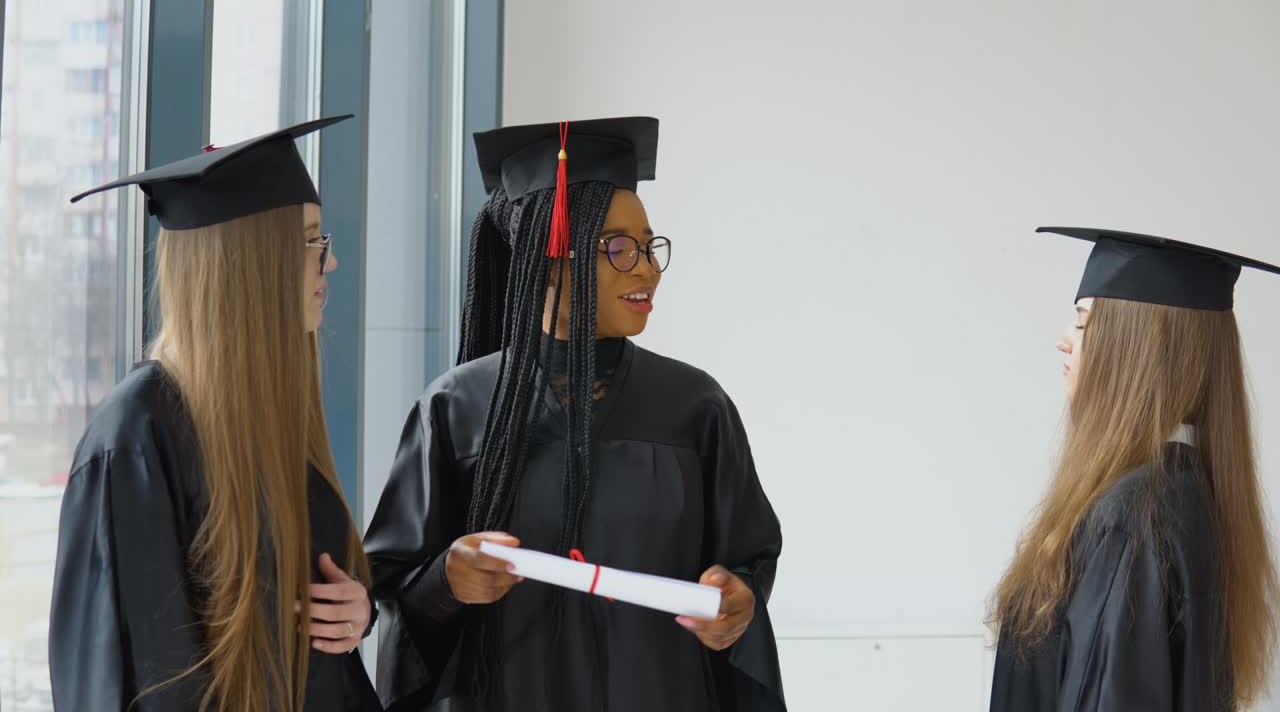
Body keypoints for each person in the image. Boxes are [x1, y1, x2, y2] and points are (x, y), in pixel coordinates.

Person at [364, 117, 786, 711]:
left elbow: (748, 558)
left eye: (648, 245)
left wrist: (738, 597)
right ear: (548, 253)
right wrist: (446, 582)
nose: (647, 269)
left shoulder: (695, 407)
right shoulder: (456, 409)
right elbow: (396, 585)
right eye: (618, 247)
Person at [50, 117, 382, 712]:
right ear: (248, 260)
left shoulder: (268, 413)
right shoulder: (136, 437)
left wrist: (358, 610)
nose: (328, 264)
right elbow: (118, 677)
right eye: (312, 240)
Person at [989, 227, 1280, 711]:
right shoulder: (1182, 492)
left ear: (1134, 345)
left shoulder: (1134, 517)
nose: (1064, 341)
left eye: (1082, 324)